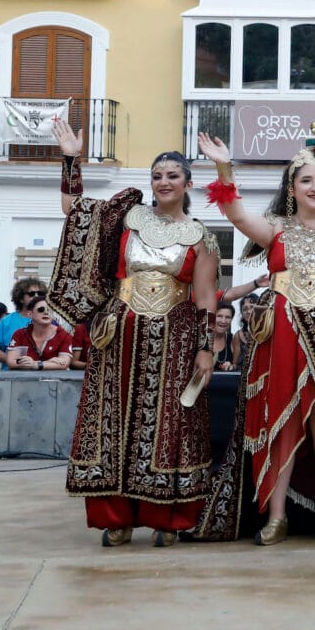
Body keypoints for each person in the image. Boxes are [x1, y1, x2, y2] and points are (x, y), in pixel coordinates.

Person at [195, 126, 315, 546]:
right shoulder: (276, 227)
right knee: (279, 425)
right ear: (292, 188)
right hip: (282, 334)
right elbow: (237, 215)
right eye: (306, 180)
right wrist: (225, 168)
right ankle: (276, 516)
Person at [49, 118, 217, 548]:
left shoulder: (202, 239)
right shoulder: (126, 217)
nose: (163, 182)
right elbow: (75, 212)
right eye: (157, 175)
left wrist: (205, 350)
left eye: (172, 176)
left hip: (176, 337)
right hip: (120, 332)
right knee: (113, 420)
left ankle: (168, 516)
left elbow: (204, 299)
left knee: (168, 422)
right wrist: (71, 158)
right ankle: (116, 516)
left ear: (188, 183)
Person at [0, 278, 47, 369]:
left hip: (42, 377)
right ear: (21, 298)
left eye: (40, 294)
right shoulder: (7, 321)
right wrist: (14, 361)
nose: (37, 296)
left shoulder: (49, 321)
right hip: (11, 377)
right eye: (31, 294)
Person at [6, 296, 73, 371]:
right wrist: (48, 363)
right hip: (25, 380)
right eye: (41, 309)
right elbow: (11, 362)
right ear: (30, 314)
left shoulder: (64, 335)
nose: (46, 312)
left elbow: (64, 363)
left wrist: (35, 364)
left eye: (50, 310)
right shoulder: (19, 334)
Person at [211, 305, 236, 371]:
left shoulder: (233, 339)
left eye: (228, 317)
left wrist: (231, 366)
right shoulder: (201, 338)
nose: (223, 321)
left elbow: (236, 365)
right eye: (219, 316)